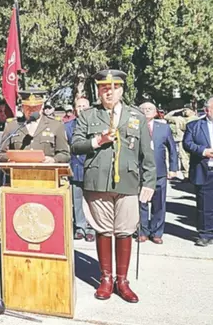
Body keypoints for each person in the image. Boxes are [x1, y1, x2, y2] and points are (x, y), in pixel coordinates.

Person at [71, 69, 156, 303]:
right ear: (98, 91)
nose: (109, 92)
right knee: (103, 230)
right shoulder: (88, 115)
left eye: (114, 88)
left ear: (121, 90)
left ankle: (123, 281)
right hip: (98, 181)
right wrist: (98, 140)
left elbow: (147, 154)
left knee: (125, 230)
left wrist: (149, 182)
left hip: (128, 181)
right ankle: (106, 279)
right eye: (104, 88)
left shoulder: (136, 116)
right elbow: (75, 145)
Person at [182, 97, 213, 247]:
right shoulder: (194, 125)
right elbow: (187, 143)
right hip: (206, 171)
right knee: (206, 206)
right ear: (207, 110)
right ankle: (206, 235)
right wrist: (204, 151)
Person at [138, 102, 178, 244]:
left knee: (159, 203)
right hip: (140, 171)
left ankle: (156, 232)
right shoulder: (134, 127)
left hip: (159, 171)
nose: (146, 111)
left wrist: (173, 168)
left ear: (155, 112)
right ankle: (142, 231)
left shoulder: (164, 128)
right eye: (143, 109)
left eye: (150, 109)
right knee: (141, 202)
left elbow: (172, 149)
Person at [0, 89, 70, 164]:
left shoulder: (55, 125)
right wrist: (10, 158)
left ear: (42, 106)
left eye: (35, 107)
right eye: (28, 107)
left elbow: (65, 154)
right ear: (22, 107)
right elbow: (1, 153)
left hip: (46, 170)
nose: (32, 110)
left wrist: (53, 159)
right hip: (19, 170)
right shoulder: (12, 125)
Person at [64, 97, 95, 242]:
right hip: (75, 166)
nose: (81, 109)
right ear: (74, 109)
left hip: (91, 166)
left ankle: (91, 228)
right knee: (76, 199)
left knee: (91, 200)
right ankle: (80, 227)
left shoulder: (96, 124)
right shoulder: (67, 126)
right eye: (79, 106)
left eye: (84, 106)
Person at [165, 107, 198, 180]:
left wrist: (177, 110)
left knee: (184, 158)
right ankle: (187, 175)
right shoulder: (195, 119)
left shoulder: (180, 119)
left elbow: (166, 116)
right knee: (184, 158)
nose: (184, 112)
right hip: (182, 139)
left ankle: (187, 175)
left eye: (186, 111)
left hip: (181, 139)